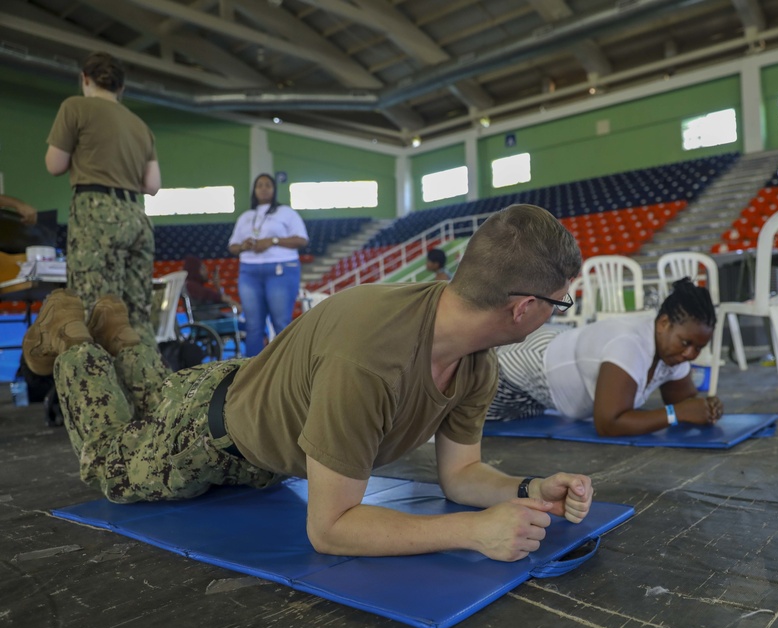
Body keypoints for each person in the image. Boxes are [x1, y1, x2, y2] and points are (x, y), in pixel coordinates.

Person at [25, 204, 592, 562]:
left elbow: (462, 475)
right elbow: (332, 529)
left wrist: (525, 490)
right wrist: (472, 535)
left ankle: (121, 338)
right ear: (522, 308)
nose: (559, 312)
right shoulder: (372, 359)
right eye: (560, 302)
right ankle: (74, 335)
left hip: (244, 395)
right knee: (110, 464)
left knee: (155, 400)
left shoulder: (475, 359)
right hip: (208, 436)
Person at [487, 278, 722, 436]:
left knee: (526, 419)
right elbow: (609, 423)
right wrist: (677, 413)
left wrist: (704, 409)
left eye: (699, 348)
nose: (690, 354)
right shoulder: (628, 344)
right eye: (686, 343)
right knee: (471, 419)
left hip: (545, 379)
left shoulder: (673, 351)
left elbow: (685, 404)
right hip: (516, 366)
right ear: (663, 324)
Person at [44, 52, 161, 350]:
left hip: (96, 211)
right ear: (120, 88)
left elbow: (55, 165)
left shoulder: (75, 107)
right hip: (136, 213)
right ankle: (150, 392)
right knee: (136, 316)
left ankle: (99, 395)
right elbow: (152, 185)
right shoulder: (139, 125)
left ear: (85, 78)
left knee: (95, 312)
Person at [227, 174, 308, 356]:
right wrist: (243, 246)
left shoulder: (286, 212)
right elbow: (232, 246)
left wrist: (273, 240)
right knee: (253, 325)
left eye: (268, 185)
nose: (263, 188)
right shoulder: (246, 217)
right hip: (249, 272)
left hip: (280, 269)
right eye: (259, 185)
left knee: (281, 323)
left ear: (274, 189)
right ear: (254, 190)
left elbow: (302, 240)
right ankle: (253, 373)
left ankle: (286, 370)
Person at [182, 255, 240, 320]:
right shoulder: (192, 286)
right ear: (195, 270)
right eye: (203, 269)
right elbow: (215, 297)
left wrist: (218, 286)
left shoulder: (194, 286)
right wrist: (233, 302)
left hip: (212, 319)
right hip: (210, 321)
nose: (207, 271)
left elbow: (218, 300)